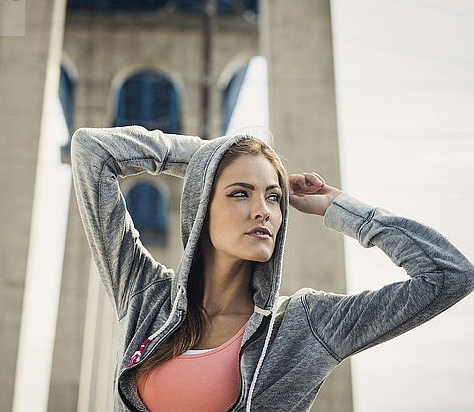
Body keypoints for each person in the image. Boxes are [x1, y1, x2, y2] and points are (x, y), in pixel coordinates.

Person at [70, 125, 474, 412]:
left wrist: (339, 207)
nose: (263, 210)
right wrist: (216, 156)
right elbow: (92, 151)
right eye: (240, 192)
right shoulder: (144, 296)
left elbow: (448, 274)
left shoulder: (308, 324)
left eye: (274, 197)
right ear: (201, 206)